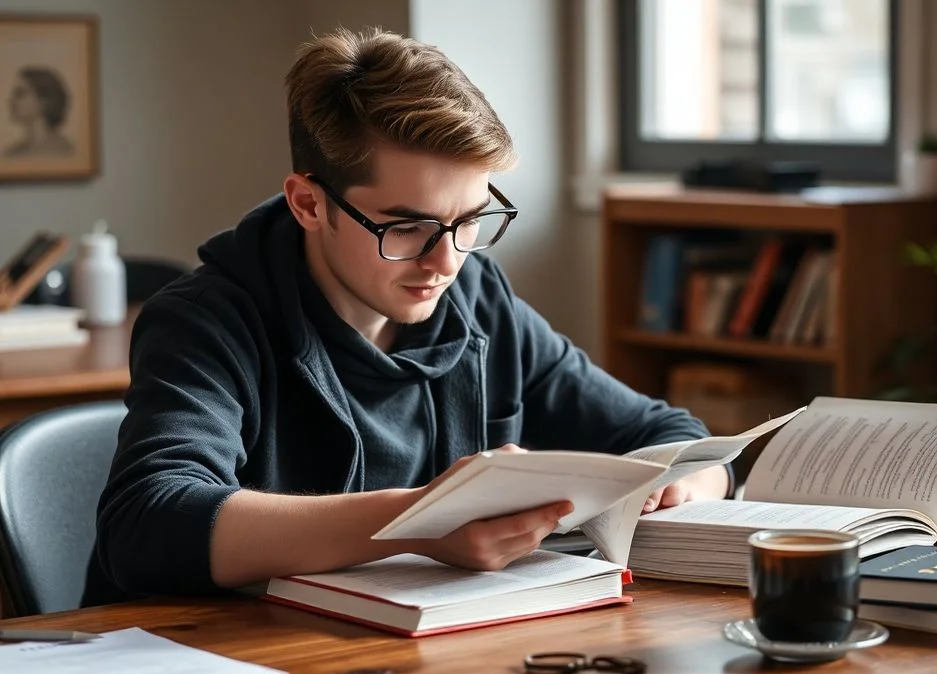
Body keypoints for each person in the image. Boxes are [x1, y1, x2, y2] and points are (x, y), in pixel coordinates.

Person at [81, 27, 729, 608]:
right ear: (308, 203)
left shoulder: (477, 295)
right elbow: (150, 521)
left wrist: (689, 485)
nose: (445, 261)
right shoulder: (206, 321)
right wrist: (415, 522)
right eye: (407, 226)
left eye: (470, 220)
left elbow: (666, 431)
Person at [4, 66, 74, 158]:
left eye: (20, 93)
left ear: (44, 101)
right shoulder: (12, 154)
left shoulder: (64, 151)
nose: (11, 100)